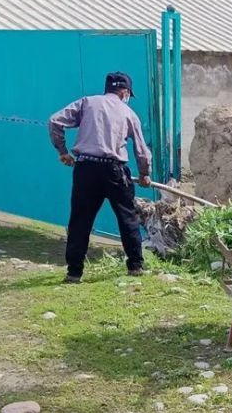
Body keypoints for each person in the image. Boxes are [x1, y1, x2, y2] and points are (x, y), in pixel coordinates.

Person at [48, 71, 153, 283]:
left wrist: (63, 151)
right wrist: (144, 174)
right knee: (127, 218)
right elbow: (141, 149)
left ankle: (74, 272)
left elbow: (54, 121)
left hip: (85, 168)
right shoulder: (128, 113)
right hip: (114, 170)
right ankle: (135, 266)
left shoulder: (86, 103)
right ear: (125, 92)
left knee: (80, 219)